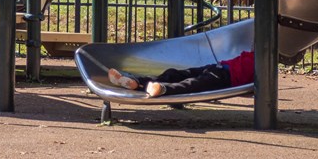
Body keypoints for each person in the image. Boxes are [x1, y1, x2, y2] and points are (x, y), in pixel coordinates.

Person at [106, 50, 254, 97]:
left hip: (226, 79)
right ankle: (134, 81)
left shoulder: (265, 62)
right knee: (175, 73)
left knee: (193, 85)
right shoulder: (258, 48)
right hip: (218, 66)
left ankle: (163, 89)